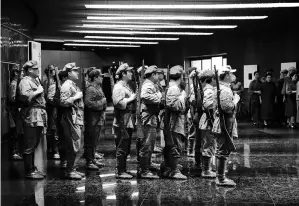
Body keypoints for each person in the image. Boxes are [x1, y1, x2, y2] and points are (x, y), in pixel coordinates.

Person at [18, 60, 47, 179]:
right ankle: (29, 171)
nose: (37, 70)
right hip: (31, 114)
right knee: (29, 142)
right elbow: (25, 97)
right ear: (29, 70)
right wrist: (37, 91)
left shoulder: (35, 80)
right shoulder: (25, 81)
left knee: (35, 142)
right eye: (35, 69)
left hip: (38, 114)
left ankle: (32, 168)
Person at [212, 65, 239, 187]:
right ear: (227, 75)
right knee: (223, 150)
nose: (233, 76)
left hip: (224, 122)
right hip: (224, 123)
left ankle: (221, 176)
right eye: (231, 74)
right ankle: (221, 178)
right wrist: (235, 101)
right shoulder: (225, 90)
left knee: (223, 149)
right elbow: (226, 107)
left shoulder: (223, 88)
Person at [60, 62, 85, 180]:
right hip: (70, 118)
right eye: (75, 71)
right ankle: (70, 170)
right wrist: (76, 97)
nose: (77, 72)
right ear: (69, 73)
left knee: (76, 145)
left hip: (76, 118)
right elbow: (63, 102)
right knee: (73, 146)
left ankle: (72, 169)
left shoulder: (73, 84)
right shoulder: (66, 85)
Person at [163, 65, 187, 180]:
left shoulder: (173, 87)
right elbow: (174, 106)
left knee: (172, 145)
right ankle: (174, 170)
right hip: (174, 122)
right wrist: (183, 96)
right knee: (175, 145)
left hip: (174, 121)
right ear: (180, 76)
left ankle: (170, 167)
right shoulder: (174, 88)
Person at [112, 63, 136, 179]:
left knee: (125, 146)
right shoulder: (119, 87)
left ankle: (123, 169)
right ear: (123, 74)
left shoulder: (126, 86)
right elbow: (119, 103)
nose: (131, 73)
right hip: (122, 120)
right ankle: (120, 171)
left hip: (127, 120)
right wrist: (130, 98)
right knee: (121, 146)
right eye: (129, 71)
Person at [139, 65, 162, 179]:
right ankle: (144, 170)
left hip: (152, 116)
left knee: (151, 143)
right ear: (153, 75)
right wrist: (159, 95)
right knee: (147, 144)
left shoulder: (152, 84)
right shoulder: (148, 85)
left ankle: (148, 164)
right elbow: (145, 96)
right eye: (157, 74)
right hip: (148, 117)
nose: (159, 76)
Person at [84, 69, 107, 170]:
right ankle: (89, 161)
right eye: (100, 76)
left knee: (94, 140)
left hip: (98, 118)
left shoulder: (98, 87)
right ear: (95, 78)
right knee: (90, 140)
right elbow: (88, 103)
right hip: (92, 119)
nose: (102, 78)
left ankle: (93, 159)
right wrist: (102, 102)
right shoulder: (91, 89)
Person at [198, 69, 217, 178]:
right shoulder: (209, 90)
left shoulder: (208, 89)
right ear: (212, 79)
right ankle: (206, 170)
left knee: (209, 144)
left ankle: (207, 168)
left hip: (208, 119)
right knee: (209, 144)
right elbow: (208, 105)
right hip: (208, 120)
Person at [44, 65, 60, 159]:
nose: (53, 71)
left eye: (54, 70)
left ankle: (52, 148)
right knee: (52, 128)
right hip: (51, 106)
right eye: (52, 70)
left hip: (55, 105)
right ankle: (53, 149)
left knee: (53, 127)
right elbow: (46, 95)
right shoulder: (47, 82)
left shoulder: (56, 81)